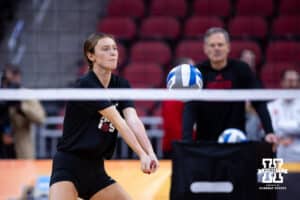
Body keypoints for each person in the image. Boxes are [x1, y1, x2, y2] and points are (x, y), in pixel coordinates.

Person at [49, 33, 159, 200]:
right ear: (90, 55)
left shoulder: (121, 84)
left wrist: (150, 152)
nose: (113, 52)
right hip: (69, 166)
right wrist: (141, 154)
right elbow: (118, 121)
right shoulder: (86, 84)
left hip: (95, 169)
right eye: (106, 49)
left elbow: (133, 120)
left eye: (114, 48)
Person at [183, 27, 277, 143]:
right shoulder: (197, 72)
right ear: (205, 49)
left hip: (236, 140)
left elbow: (258, 102)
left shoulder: (242, 69)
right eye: (212, 45)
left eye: (220, 45)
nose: (216, 48)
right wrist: (186, 140)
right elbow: (190, 107)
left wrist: (269, 131)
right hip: (205, 142)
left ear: (228, 47)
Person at [1, 66, 46, 158]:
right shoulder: (2, 95)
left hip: (22, 152)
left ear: (18, 77)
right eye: (6, 80)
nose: (10, 83)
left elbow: (41, 118)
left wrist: (21, 107)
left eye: (13, 78)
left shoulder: (26, 95)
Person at [162, 57, 195, 158]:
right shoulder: (172, 96)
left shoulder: (192, 94)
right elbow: (172, 127)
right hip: (178, 148)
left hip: (188, 147)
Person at [267, 69, 300, 162]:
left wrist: (280, 125)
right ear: (282, 82)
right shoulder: (271, 106)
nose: (293, 84)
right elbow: (272, 128)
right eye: (290, 81)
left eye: (296, 81)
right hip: (279, 153)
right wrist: (294, 127)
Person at [240, 49, 265, 141]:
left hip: (252, 113)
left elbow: (262, 104)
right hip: (235, 112)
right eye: (246, 60)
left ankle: (251, 146)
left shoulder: (257, 80)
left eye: (251, 60)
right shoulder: (234, 76)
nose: (248, 62)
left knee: (254, 119)